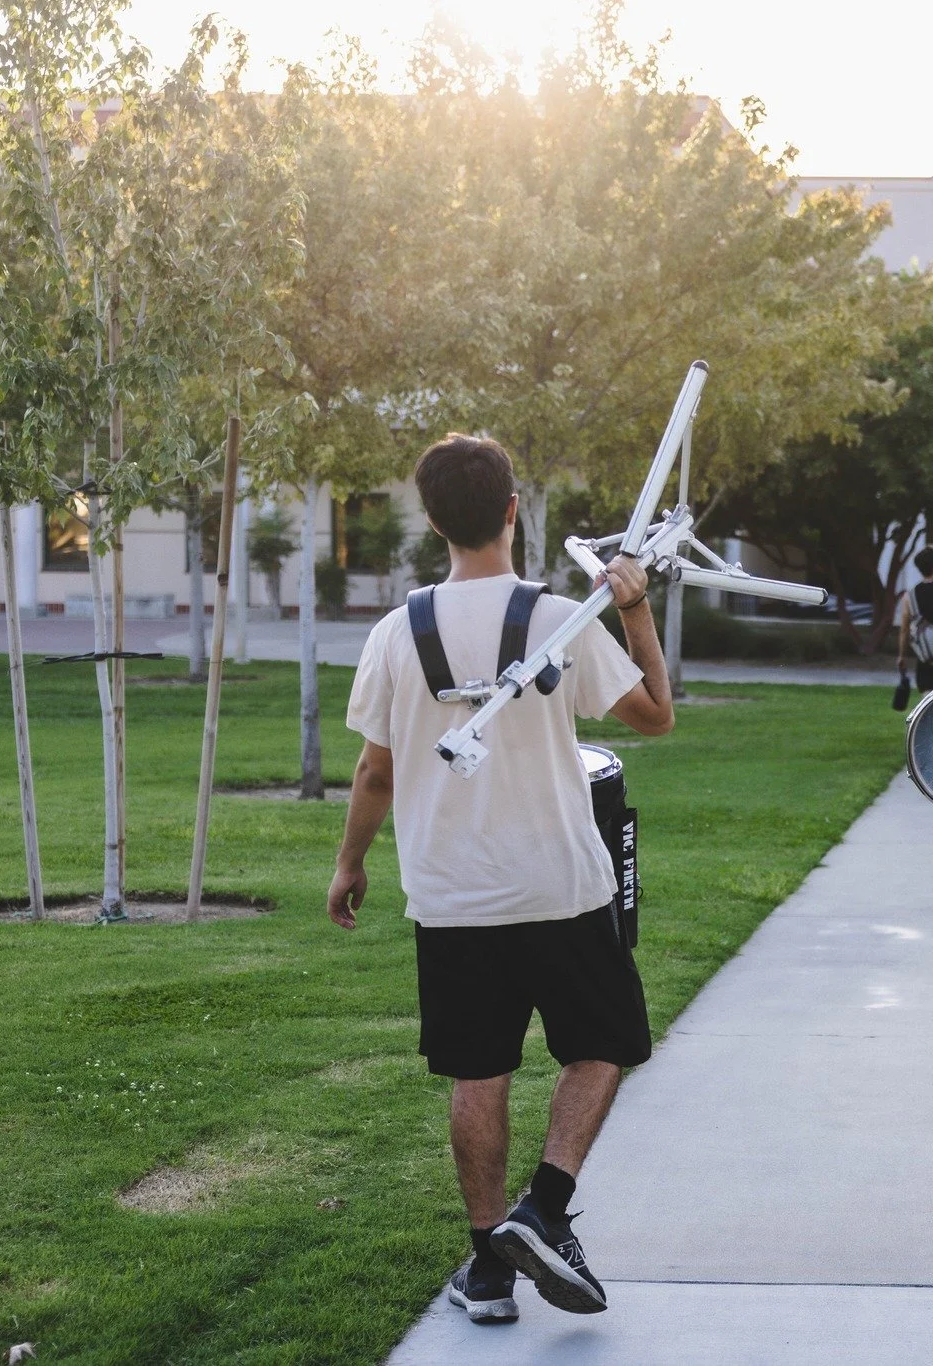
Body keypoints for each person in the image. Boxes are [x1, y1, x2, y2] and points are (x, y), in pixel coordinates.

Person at [327, 434, 674, 1325]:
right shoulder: (562, 614)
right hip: (559, 885)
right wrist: (634, 608)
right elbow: (654, 719)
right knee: (604, 1046)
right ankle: (546, 1208)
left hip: (451, 896)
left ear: (433, 521)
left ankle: (488, 1271)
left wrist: (350, 862)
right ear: (514, 509)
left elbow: (374, 772)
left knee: (477, 1072)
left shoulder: (395, 632)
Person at [897, 546, 933, 691]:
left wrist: (901, 655)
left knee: (928, 698)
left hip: (925, 657)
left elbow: (905, 629)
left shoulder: (910, 595)